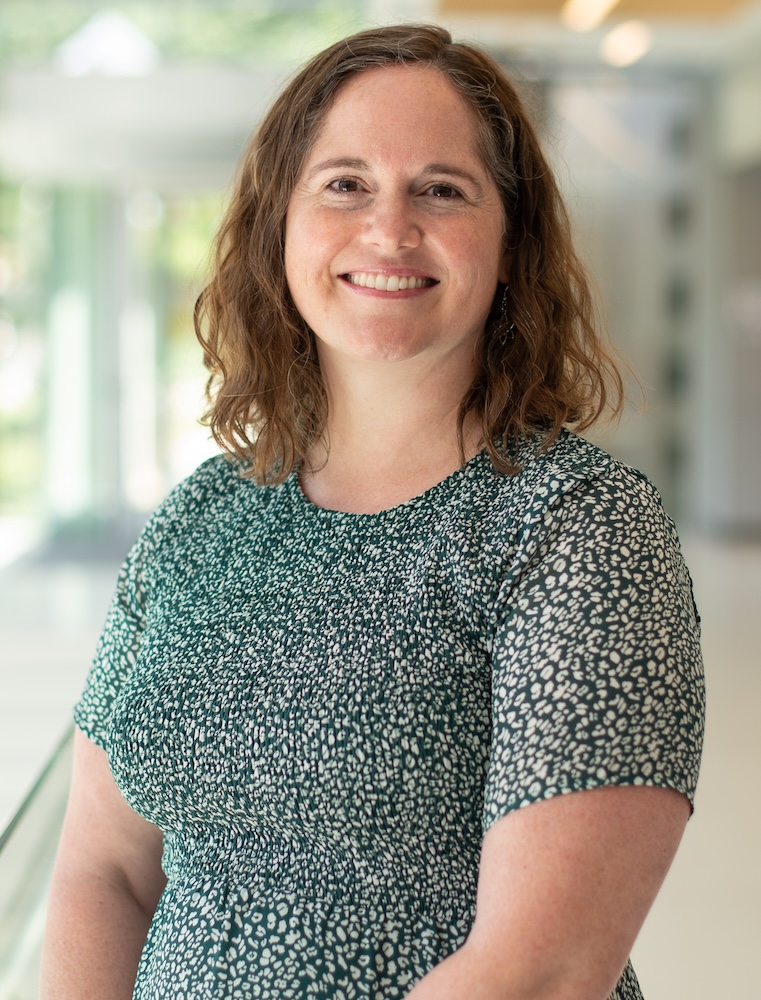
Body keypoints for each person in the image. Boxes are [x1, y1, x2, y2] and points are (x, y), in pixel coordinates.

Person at [40, 23, 705, 1000]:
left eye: (440, 189)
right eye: (344, 184)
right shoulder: (201, 517)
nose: (388, 231)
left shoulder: (580, 528)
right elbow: (102, 869)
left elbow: (541, 971)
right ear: (280, 229)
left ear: (511, 243)